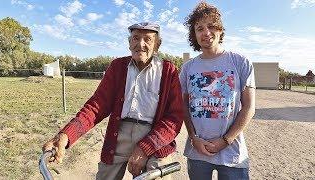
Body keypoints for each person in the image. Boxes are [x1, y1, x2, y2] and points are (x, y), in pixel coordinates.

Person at [42, 22, 184, 180]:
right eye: (136, 38)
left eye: (148, 39)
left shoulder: (168, 71)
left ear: (157, 44)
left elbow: (174, 118)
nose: (140, 44)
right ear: (129, 43)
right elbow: (96, 107)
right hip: (119, 135)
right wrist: (66, 135)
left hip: (155, 138)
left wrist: (145, 148)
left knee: (156, 176)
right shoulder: (118, 66)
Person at [179, 2, 256, 180]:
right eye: (200, 28)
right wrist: (193, 138)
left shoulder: (240, 63)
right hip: (197, 151)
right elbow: (184, 106)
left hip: (232, 154)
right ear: (194, 35)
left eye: (211, 26)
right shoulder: (188, 68)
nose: (206, 32)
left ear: (220, 30)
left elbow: (249, 107)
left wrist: (226, 140)